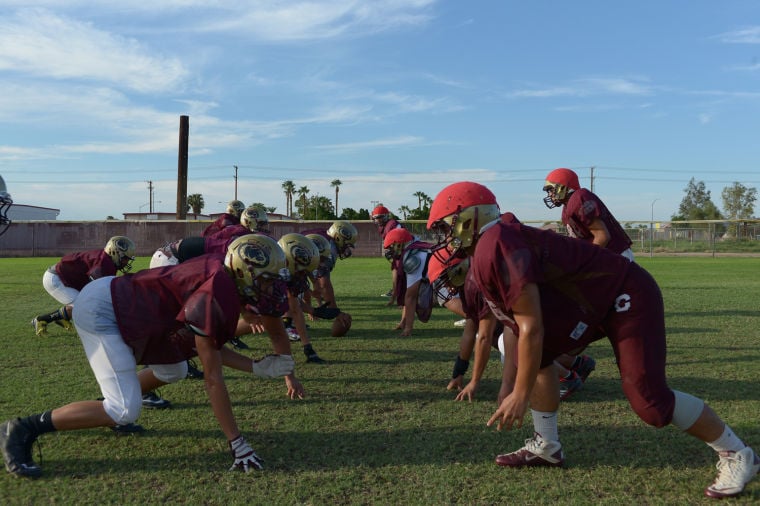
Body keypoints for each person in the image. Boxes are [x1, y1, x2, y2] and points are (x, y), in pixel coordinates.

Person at [427, 181, 759, 499]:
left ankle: (737, 453)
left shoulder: (496, 243)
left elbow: (532, 327)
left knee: (650, 402)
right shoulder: (485, 253)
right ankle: (547, 446)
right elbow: (515, 329)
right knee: (540, 359)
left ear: (469, 217)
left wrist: (520, 392)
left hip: (625, 291)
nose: (444, 237)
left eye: (445, 226)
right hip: (590, 302)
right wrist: (508, 385)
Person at [0, 234, 300, 479]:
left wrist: (255, 367)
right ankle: (23, 428)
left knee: (174, 371)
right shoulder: (216, 290)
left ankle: (113, 398)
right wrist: (237, 441)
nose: (270, 287)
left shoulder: (223, 277)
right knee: (123, 411)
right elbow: (212, 375)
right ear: (243, 272)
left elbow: (207, 346)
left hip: (124, 303)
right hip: (104, 310)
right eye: (265, 280)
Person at [31, 236, 137, 337]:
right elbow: (99, 291)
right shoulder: (103, 264)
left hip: (66, 278)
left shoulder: (107, 261)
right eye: (125, 258)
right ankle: (41, 319)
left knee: (86, 304)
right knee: (84, 307)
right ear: (115, 253)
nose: (126, 262)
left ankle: (63, 317)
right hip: (56, 279)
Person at [543, 167, 634, 261]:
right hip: (602, 255)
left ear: (562, 187)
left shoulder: (579, 198)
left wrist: (585, 261)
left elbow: (602, 236)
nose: (549, 194)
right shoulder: (566, 210)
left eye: (551, 189)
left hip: (615, 255)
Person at [277, 233, 327, 364]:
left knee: (269, 318)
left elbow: (294, 304)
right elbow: (293, 308)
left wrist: (314, 310)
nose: (303, 274)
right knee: (265, 320)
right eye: (302, 270)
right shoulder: (277, 272)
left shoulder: (288, 269)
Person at [382, 228, 434, 337]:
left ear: (400, 245)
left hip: (446, 277)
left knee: (449, 300)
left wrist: (408, 329)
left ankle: (476, 322)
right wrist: (403, 322)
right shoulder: (415, 247)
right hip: (442, 275)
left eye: (392, 247)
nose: (390, 251)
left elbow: (410, 297)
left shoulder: (412, 257)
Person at [371, 205, 403, 300]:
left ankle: (398, 291)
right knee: (395, 267)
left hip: (404, 249)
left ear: (386, 216)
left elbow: (399, 238)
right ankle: (396, 290)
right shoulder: (385, 226)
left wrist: (395, 250)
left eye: (380, 217)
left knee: (397, 268)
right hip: (400, 249)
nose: (378, 220)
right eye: (376, 218)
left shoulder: (392, 224)